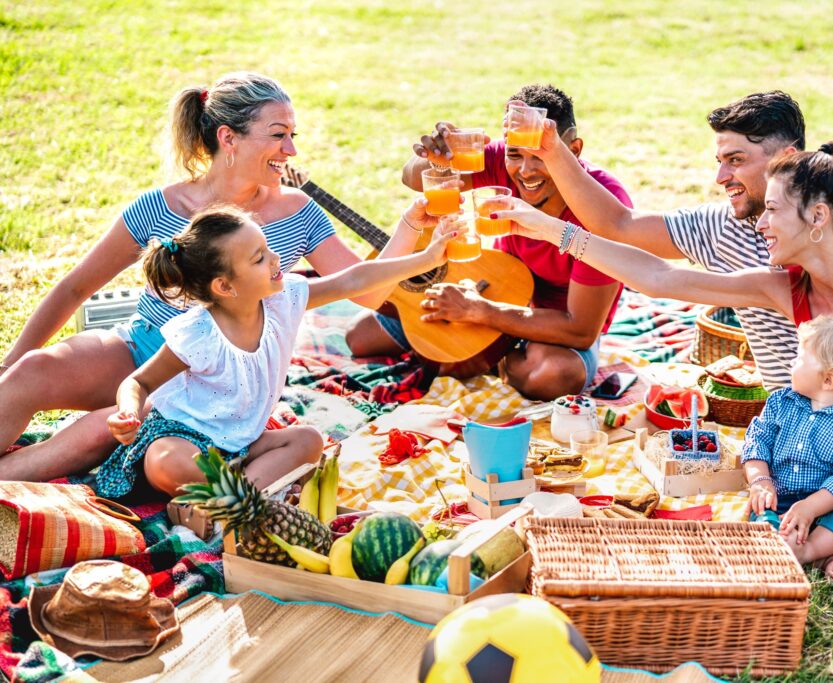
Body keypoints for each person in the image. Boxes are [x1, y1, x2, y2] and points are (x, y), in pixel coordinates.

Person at [495, 144, 833, 682]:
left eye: (773, 210)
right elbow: (660, 279)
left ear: (818, 217)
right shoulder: (782, 289)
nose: (761, 223)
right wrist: (552, 230)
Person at [0, 72, 425, 482]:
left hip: (220, 386)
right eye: (278, 135)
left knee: (98, 430)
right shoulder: (160, 206)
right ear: (228, 137)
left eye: (293, 135)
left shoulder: (299, 213)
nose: (291, 150)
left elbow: (367, 294)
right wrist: (9, 362)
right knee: (33, 369)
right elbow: (76, 287)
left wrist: (413, 226)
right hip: (148, 349)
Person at [501, 90, 833, 416]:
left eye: (735, 160)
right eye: (719, 160)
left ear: (786, 159)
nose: (720, 177)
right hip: (820, 405)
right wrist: (549, 157)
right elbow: (624, 233)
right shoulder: (724, 231)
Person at [98, 204, 453, 497]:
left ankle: (227, 503)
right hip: (184, 439)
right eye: (258, 259)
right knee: (166, 462)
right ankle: (245, 497)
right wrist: (128, 412)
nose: (275, 259)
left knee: (309, 441)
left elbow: (354, 279)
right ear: (224, 286)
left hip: (241, 445)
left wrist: (427, 258)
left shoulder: (285, 300)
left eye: (268, 248)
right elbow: (138, 384)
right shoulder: (198, 335)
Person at [344, 84, 631, 400]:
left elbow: (580, 329)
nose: (525, 170)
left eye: (540, 156)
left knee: (554, 375)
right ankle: (475, 352)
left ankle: (484, 358)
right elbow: (413, 179)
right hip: (493, 285)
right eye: (515, 154)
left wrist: (478, 311)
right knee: (360, 337)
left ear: (573, 150)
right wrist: (438, 161)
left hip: (552, 328)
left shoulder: (603, 207)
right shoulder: (498, 160)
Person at [743, 315, 833, 583]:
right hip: (780, 495)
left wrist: (810, 507)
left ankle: (809, 550)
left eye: (799, 358)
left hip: (827, 504)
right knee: (762, 508)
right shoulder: (780, 402)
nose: (790, 363)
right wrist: (760, 480)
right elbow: (757, 441)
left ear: (829, 380)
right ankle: (785, 542)